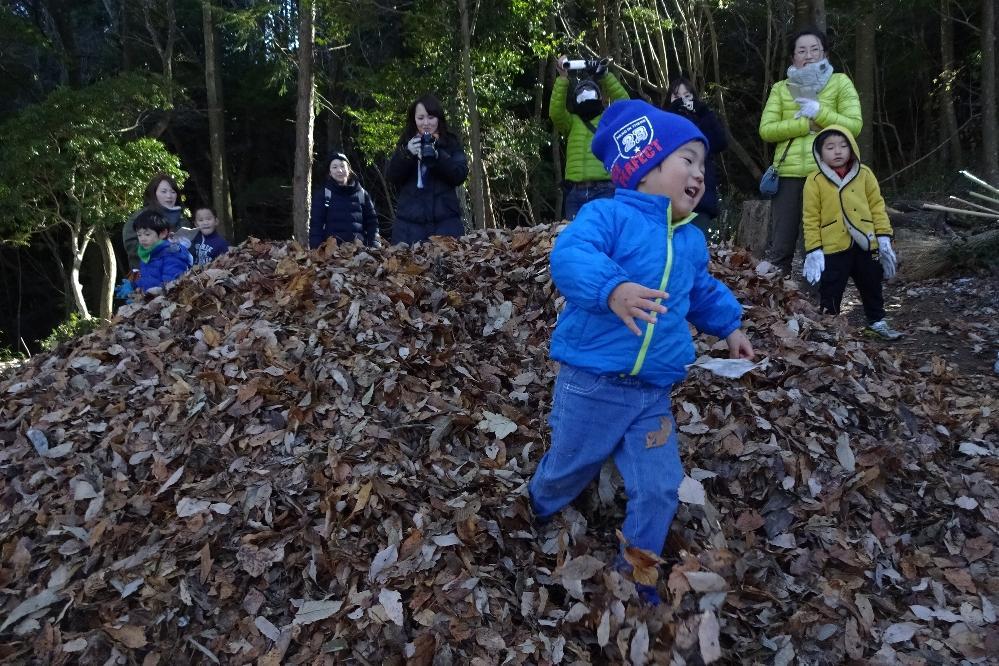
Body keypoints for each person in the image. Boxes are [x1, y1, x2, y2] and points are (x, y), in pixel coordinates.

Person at [528, 100, 755, 606]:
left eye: (702, 164)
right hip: (592, 381)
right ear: (646, 166)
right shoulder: (607, 214)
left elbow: (699, 292)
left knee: (658, 488)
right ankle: (533, 513)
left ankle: (634, 579)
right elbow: (569, 256)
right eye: (687, 160)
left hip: (652, 391)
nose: (699, 173)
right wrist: (613, 289)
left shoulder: (691, 240)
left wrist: (730, 327)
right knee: (569, 465)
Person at [758, 28, 862, 276]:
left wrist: (820, 113)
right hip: (788, 175)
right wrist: (805, 125)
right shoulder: (781, 88)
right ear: (793, 57)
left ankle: (818, 306)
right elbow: (766, 130)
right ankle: (775, 305)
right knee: (780, 245)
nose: (809, 55)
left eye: (814, 49)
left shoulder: (840, 82)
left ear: (824, 53)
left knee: (817, 243)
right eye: (801, 50)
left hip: (826, 174)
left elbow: (854, 125)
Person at [802, 126, 902, 339]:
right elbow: (810, 217)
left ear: (852, 148)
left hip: (866, 242)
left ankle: (877, 322)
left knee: (872, 283)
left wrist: (884, 236)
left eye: (843, 146)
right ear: (820, 152)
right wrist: (814, 249)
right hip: (832, 245)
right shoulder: (814, 180)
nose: (837, 151)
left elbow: (877, 205)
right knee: (831, 287)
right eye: (830, 147)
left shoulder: (864, 173)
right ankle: (828, 327)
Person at [550, 54, 629, 221]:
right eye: (581, 92)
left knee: (606, 234)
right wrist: (563, 78)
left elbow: (625, 104)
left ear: (600, 97)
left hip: (605, 189)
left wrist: (604, 75)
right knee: (576, 237)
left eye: (590, 91)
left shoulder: (609, 120)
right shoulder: (571, 122)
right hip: (575, 192)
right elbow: (556, 112)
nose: (585, 94)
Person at [385, 95, 468, 244]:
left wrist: (439, 156)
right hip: (409, 227)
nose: (426, 123)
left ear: (438, 118)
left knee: (449, 266)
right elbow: (392, 177)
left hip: (446, 224)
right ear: (414, 120)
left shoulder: (450, 142)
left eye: (431, 117)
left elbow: (459, 175)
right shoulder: (406, 141)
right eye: (420, 118)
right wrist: (407, 154)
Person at [665, 77, 728, 236]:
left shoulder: (703, 118)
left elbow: (720, 142)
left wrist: (704, 112)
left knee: (695, 244)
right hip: (668, 195)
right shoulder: (661, 120)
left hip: (700, 195)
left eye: (686, 95)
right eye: (676, 96)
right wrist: (672, 112)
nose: (681, 100)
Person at [310, 152, 380, 248]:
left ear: (349, 170)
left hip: (359, 253)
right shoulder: (324, 194)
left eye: (343, 166)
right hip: (332, 256)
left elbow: (372, 223)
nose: (339, 170)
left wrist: (375, 245)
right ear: (329, 172)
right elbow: (316, 225)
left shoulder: (362, 194)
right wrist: (317, 251)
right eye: (334, 167)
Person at [122, 173, 188, 270]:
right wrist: (161, 248)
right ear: (153, 193)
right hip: (147, 273)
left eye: (173, 192)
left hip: (179, 272)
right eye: (164, 191)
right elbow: (131, 246)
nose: (169, 196)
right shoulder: (139, 217)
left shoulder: (183, 220)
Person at [127, 209, 193, 292]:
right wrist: (134, 284)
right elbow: (147, 279)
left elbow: (172, 285)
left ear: (163, 233)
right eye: (139, 235)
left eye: (147, 234)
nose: (142, 239)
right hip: (149, 300)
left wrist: (151, 292)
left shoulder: (172, 254)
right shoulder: (147, 254)